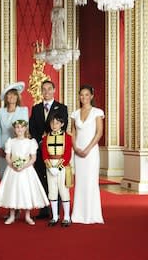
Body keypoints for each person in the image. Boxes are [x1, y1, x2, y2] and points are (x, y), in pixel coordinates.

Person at [0, 120, 49, 225]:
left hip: (26, 170)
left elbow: (33, 158)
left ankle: (27, 215)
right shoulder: (11, 141)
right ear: (14, 129)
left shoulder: (30, 142)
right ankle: (12, 215)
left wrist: (23, 166)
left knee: (26, 191)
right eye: (17, 127)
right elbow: (8, 157)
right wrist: (13, 165)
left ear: (25, 129)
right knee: (12, 191)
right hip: (12, 170)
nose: (19, 129)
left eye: (21, 127)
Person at [29, 80, 68, 219]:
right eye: (44, 89)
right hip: (40, 150)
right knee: (42, 178)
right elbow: (32, 128)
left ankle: (56, 211)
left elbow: (64, 127)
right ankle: (44, 209)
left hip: (56, 151)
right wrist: (40, 140)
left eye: (49, 89)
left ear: (54, 90)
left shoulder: (62, 108)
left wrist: (49, 138)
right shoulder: (36, 108)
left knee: (56, 180)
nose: (46, 92)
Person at [70, 85, 104, 224]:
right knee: (80, 182)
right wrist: (76, 148)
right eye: (81, 95)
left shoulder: (97, 112)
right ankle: (78, 214)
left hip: (91, 152)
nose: (84, 97)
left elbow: (99, 133)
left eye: (86, 95)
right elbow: (73, 133)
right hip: (78, 152)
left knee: (90, 181)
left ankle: (91, 214)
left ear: (91, 96)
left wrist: (88, 149)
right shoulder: (75, 113)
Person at [41, 113, 73, 227]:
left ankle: (67, 217)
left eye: (57, 123)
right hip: (50, 166)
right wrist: (50, 167)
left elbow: (68, 154)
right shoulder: (45, 138)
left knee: (64, 191)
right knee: (52, 191)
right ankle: (55, 216)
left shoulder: (67, 137)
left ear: (62, 124)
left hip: (62, 166)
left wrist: (58, 168)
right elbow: (44, 154)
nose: (54, 125)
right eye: (52, 123)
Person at [0, 82, 28, 179]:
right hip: (4, 147)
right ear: (5, 97)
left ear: (17, 97)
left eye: (14, 94)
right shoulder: (1, 111)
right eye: (9, 94)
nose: (11, 97)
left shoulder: (23, 110)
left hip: (19, 146)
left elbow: (26, 129)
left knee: (17, 175)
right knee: (4, 175)